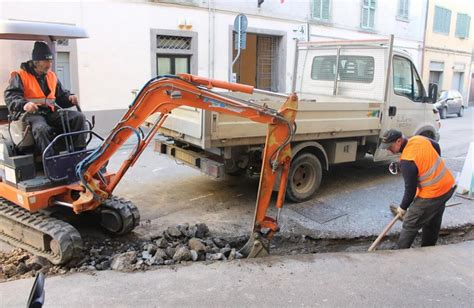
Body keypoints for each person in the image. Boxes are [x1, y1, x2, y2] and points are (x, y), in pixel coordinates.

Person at [4, 41, 86, 155]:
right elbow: (11, 97)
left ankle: (79, 153)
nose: (50, 64)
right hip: (31, 115)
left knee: (78, 117)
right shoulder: (20, 76)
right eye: (46, 61)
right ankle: (50, 160)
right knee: (41, 128)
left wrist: (69, 98)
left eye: (51, 61)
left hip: (50, 113)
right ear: (36, 62)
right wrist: (24, 104)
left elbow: (61, 97)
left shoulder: (51, 76)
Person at [379, 129, 456, 249]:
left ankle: (400, 253)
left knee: (410, 222)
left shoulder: (407, 160)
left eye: (390, 147)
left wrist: (402, 208)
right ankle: (428, 248)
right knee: (433, 219)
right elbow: (436, 145)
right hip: (447, 186)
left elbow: (410, 190)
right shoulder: (418, 139)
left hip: (433, 193)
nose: (388, 150)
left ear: (399, 141)